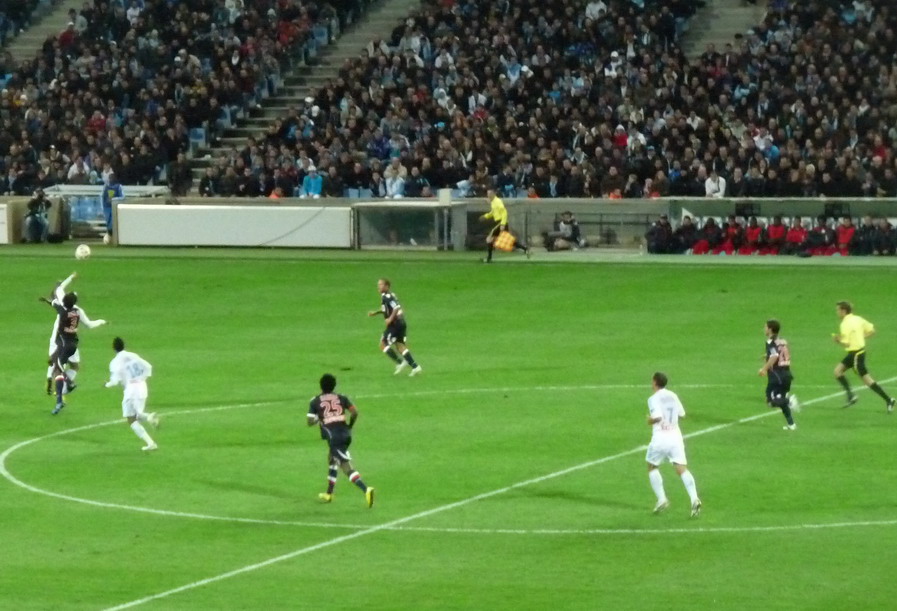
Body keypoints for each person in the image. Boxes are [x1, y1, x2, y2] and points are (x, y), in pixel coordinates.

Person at [39, 273, 107, 413]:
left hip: (62, 344)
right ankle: (65, 387)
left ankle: (63, 393)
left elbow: (56, 293)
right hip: (73, 345)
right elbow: (89, 325)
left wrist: (68, 279)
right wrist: (101, 321)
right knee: (75, 366)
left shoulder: (61, 309)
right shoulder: (77, 311)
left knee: (57, 368)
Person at [307, 373, 374, 507]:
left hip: (334, 437)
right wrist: (350, 426)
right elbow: (354, 412)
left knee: (345, 466)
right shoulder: (342, 397)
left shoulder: (315, 401)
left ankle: (366, 489)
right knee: (332, 459)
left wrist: (319, 418)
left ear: (320, 386)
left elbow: (309, 421)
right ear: (334, 386)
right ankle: (329, 493)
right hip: (345, 433)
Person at [645, 372, 702, 517]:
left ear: (655, 382)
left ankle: (662, 499)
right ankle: (694, 498)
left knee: (652, 466)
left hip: (660, 438)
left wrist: (650, 420)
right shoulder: (673, 395)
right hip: (676, 438)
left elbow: (657, 417)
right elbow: (682, 414)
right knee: (681, 469)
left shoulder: (653, 398)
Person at [832, 301, 896, 412]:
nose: (837, 312)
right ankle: (851, 396)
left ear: (843, 311)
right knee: (837, 371)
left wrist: (837, 340)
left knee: (867, 380)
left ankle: (889, 400)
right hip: (858, 352)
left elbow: (846, 343)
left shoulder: (845, 324)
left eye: (838, 310)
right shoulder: (858, 319)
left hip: (856, 354)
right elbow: (872, 331)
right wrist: (860, 338)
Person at [104, 337, 159, 451]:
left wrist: (107, 385)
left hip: (131, 390)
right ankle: (150, 439)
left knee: (131, 418)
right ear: (124, 345)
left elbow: (115, 381)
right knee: (136, 416)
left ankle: (150, 426)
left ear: (113, 348)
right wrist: (142, 378)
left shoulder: (115, 362)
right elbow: (148, 367)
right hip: (143, 387)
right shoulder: (133, 355)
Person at [367, 278, 422, 376]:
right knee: (400, 346)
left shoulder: (387, 297)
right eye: (378, 284)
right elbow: (388, 308)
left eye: (381, 285)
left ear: (387, 286)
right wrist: (375, 313)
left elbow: (396, 308)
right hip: (400, 323)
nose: (378, 286)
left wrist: (390, 319)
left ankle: (400, 362)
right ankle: (415, 367)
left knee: (383, 344)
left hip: (395, 324)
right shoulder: (389, 295)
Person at [758, 319, 800, 430]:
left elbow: (775, 356)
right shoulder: (782, 341)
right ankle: (791, 424)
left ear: (770, 329)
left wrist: (764, 369)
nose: (764, 329)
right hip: (786, 374)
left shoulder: (770, 342)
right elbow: (781, 353)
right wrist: (766, 355)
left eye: (765, 327)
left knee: (771, 401)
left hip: (777, 375)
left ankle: (790, 400)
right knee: (780, 399)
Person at [480, 188, 530, 263]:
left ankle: (489, 258)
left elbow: (504, 212)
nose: (488, 195)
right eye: (488, 194)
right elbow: (493, 212)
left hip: (500, 222)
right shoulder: (493, 202)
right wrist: (486, 216)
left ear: (494, 193)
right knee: (508, 240)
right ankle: (525, 249)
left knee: (489, 239)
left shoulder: (498, 201)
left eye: (490, 193)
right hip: (499, 222)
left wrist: (503, 224)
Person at [101, 172, 124, 242]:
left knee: (113, 223)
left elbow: (122, 197)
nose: (111, 179)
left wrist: (114, 200)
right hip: (107, 208)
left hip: (115, 208)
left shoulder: (119, 187)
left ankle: (114, 238)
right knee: (109, 223)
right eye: (110, 178)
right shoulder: (106, 187)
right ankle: (110, 238)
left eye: (112, 178)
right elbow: (102, 197)